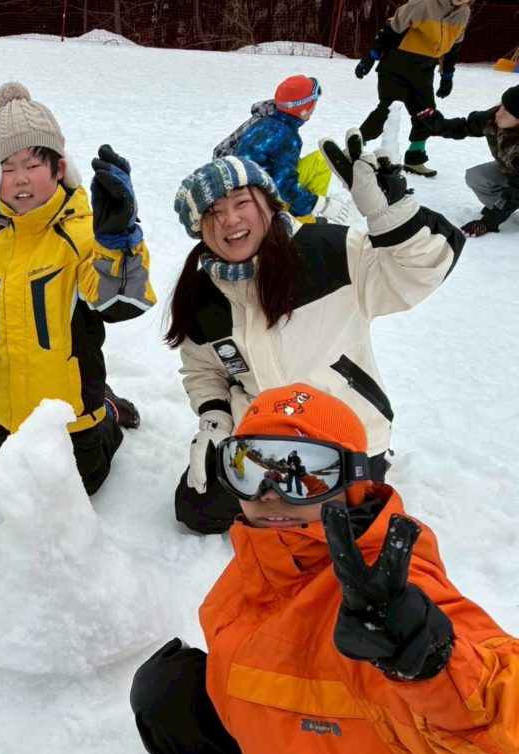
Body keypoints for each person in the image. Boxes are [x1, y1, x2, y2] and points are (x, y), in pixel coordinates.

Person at [130, 383, 519, 754]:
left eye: (299, 475)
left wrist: (434, 667)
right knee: (168, 688)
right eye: (248, 469)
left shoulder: (385, 592)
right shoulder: (257, 565)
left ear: (353, 483)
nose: (269, 493)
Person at [168, 138, 463, 534]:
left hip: (345, 439)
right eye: (213, 213)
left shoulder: (330, 251)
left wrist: (394, 219)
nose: (230, 221)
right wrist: (215, 421)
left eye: (241, 203)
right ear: (199, 230)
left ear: (268, 203)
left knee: (344, 538)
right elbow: (203, 370)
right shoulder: (202, 295)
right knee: (197, 510)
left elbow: (417, 272)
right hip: (262, 442)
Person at [0, 82, 154, 495]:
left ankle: (107, 410)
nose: (20, 179)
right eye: (7, 166)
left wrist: (119, 242)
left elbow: (119, 301)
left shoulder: (83, 233)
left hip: (66, 412)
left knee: (86, 482)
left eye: (32, 164)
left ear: (59, 168)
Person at [356, 0, 472, 177]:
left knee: (427, 114)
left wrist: (447, 76)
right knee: (388, 109)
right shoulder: (423, 4)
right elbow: (391, 29)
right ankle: (355, 146)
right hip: (397, 63)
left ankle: (415, 159)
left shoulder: (463, 13)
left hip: (424, 69)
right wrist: (370, 57)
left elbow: (454, 47)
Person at [216, 75, 350, 224]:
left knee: (300, 165)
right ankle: (303, 221)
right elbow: (284, 186)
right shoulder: (287, 136)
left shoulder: (262, 122)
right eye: (315, 101)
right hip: (261, 202)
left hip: (244, 194)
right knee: (322, 159)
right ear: (305, 109)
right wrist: (320, 204)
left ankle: (297, 213)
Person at [412, 84, 519, 237]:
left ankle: (502, 210)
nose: (499, 114)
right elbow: (466, 126)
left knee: (512, 195)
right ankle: (502, 208)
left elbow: (516, 190)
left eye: (507, 114)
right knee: (477, 176)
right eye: (502, 106)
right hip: (511, 171)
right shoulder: (494, 117)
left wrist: (488, 222)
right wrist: (438, 124)